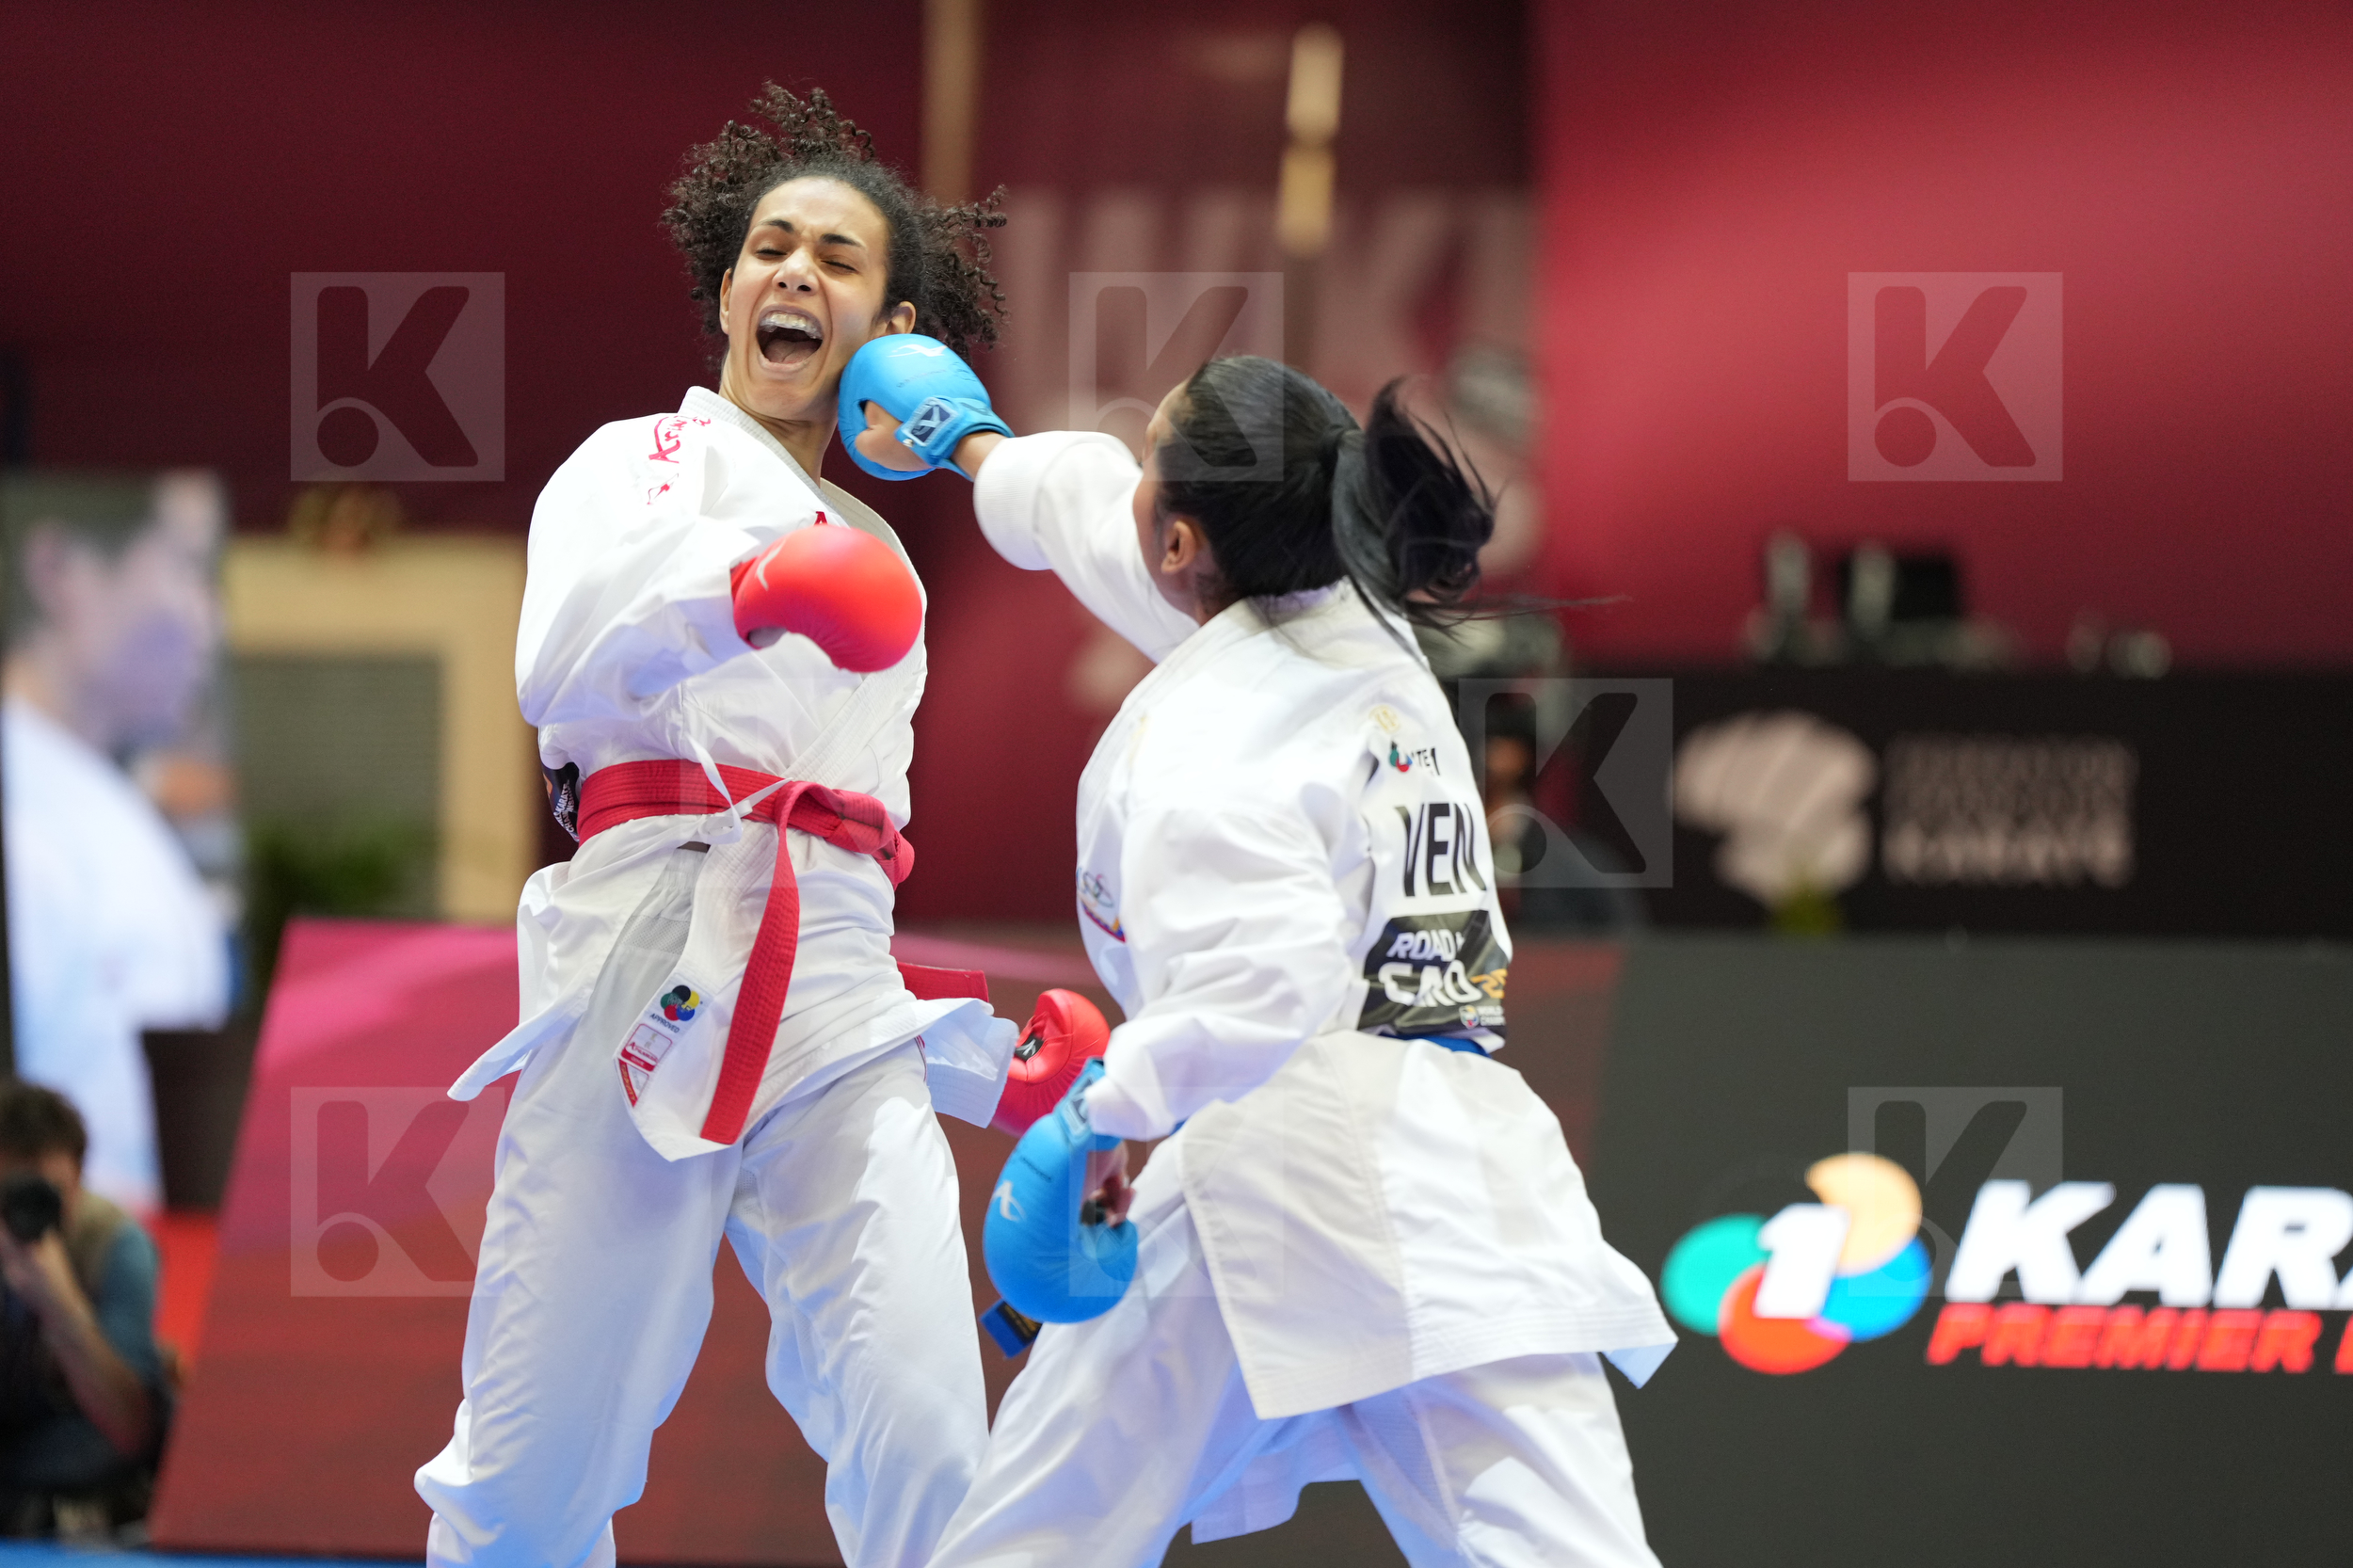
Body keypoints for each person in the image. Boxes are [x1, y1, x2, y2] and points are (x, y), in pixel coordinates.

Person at [847, 349, 1677, 1565]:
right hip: (1469, 1176)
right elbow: (1095, 514)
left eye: (1152, 458)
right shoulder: (1354, 618)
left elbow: (1268, 983)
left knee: (1032, 1534)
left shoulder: (1212, 737)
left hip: (1284, 1159)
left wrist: (1107, 1115)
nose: (1127, 477)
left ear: (1183, 543)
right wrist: (967, 439)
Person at [412, 87, 1020, 1568]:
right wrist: (748, 593)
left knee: (932, 1426)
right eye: (769, 247)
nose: (794, 272)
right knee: (538, 1460)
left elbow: (873, 815)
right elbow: (553, 666)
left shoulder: (888, 555)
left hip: (837, 979)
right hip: (652, 946)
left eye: (837, 256)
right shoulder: (637, 464)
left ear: (893, 327)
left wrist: (981, 1046)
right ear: (728, 290)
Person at [2, 472, 231, 1214]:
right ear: (61, 571)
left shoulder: (98, 797)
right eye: (186, 566)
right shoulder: (28, 814)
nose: (210, 622)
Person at [0, 1080, 168, 1536]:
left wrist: (61, 1303)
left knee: (152, 1431)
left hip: (70, 1433)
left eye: (45, 1195)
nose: (22, 1214)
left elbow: (129, 1427)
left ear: (78, 1181)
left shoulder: (117, 1245)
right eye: (8, 1194)